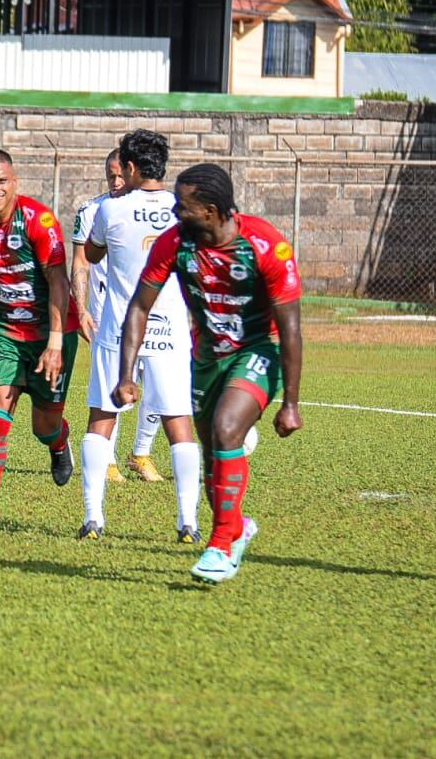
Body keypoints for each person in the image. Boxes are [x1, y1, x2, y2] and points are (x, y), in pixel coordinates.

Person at [114, 163, 303, 583]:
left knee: (226, 428)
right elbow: (139, 308)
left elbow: (290, 326)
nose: (176, 213)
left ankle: (219, 545)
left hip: (258, 351)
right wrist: (127, 375)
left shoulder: (265, 245)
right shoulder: (175, 244)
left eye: (184, 207)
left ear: (214, 211)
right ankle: (236, 528)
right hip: (206, 360)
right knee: (213, 456)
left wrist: (290, 402)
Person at [79, 129, 200, 543]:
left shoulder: (111, 210)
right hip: (170, 327)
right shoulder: (183, 209)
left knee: (102, 418)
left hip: (118, 327)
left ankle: (94, 519)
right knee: (178, 423)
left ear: (129, 168)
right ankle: (188, 522)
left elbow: (92, 254)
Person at [0, 148, 80, 533]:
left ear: (14, 181)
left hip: (52, 335)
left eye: (1, 181)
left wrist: (55, 343)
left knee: (45, 425)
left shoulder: (38, 220)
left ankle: (58, 443)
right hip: (5, 334)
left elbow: (59, 281)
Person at [70, 149, 162, 483]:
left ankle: (141, 453)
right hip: (108, 315)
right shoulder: (94, 210)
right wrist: (81, 310)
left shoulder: (157, 211)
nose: (116, 182)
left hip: (153, 313)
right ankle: (106, 460)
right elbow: (81, 261)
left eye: (122, 174)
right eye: (111, 175)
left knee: (155, 385)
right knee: (111, 385)